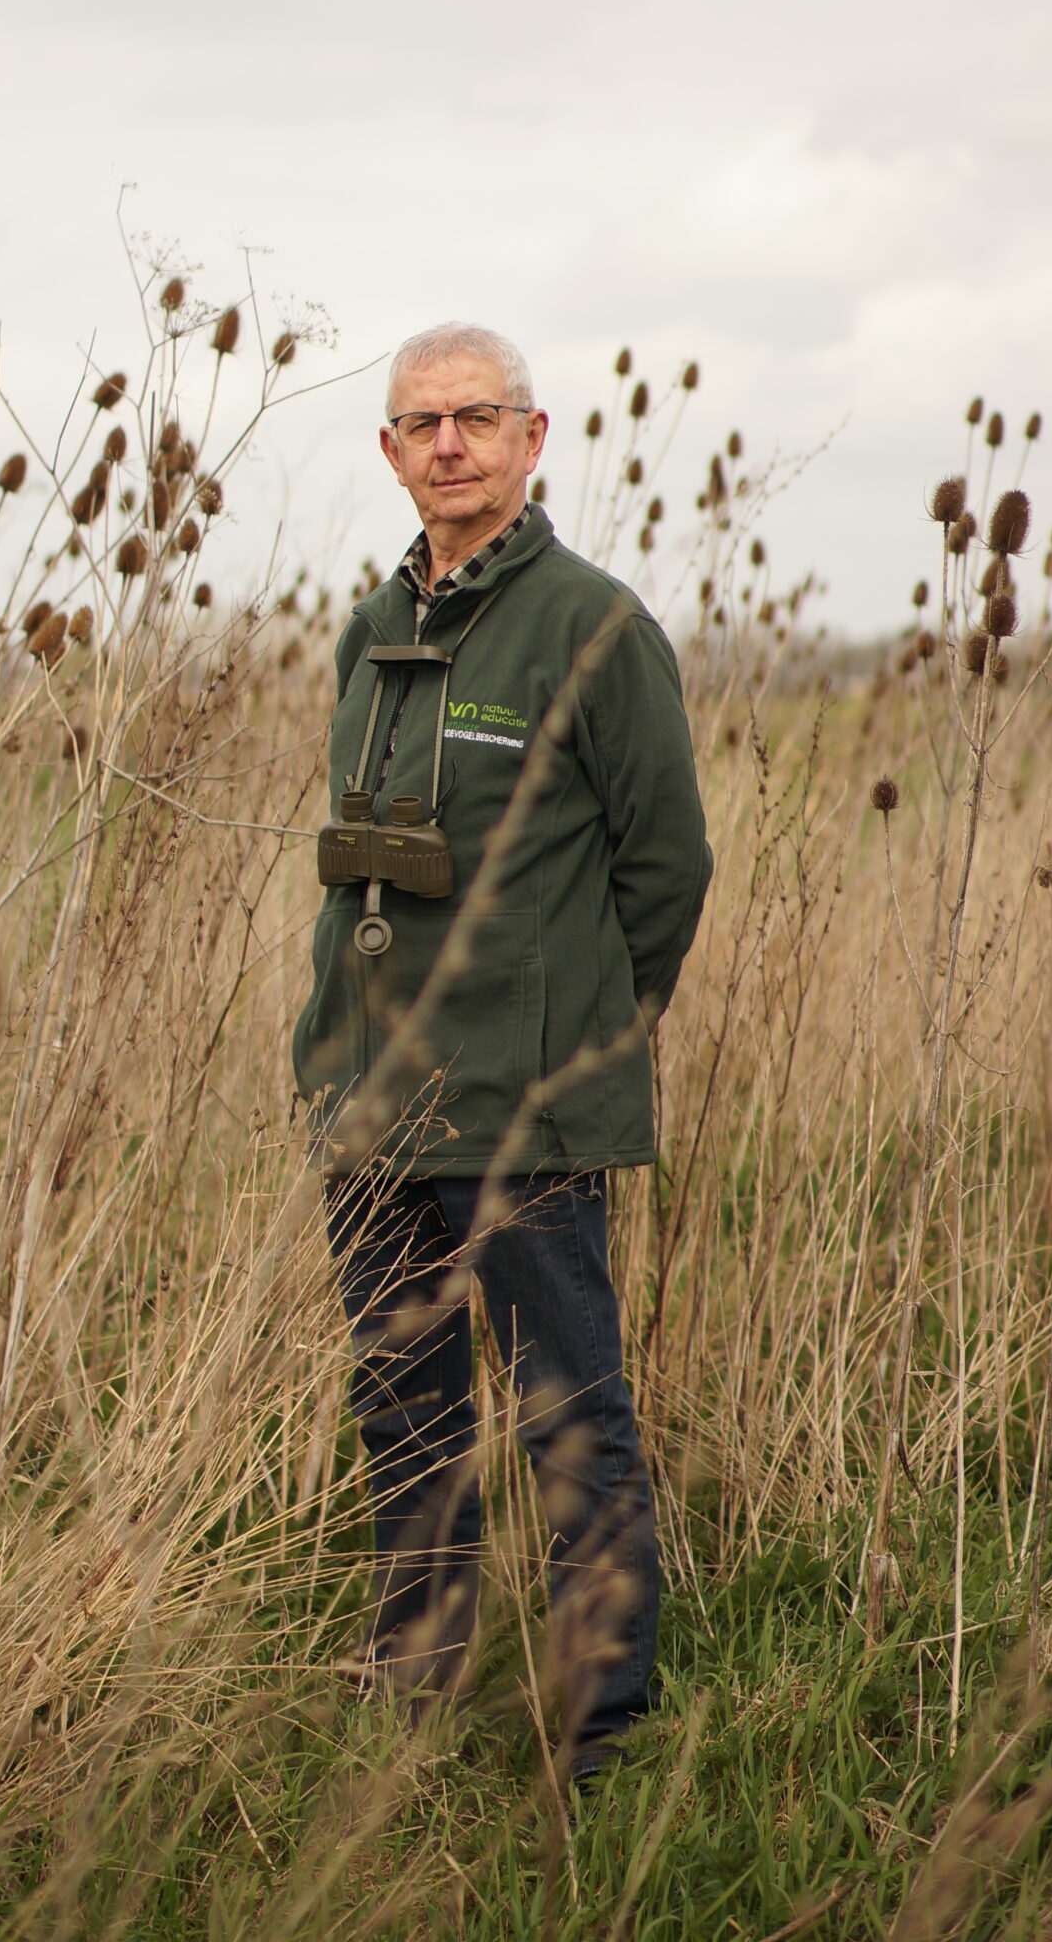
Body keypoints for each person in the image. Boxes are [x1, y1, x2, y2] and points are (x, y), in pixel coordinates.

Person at [293, 321, 711, 1785]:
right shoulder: (371, 629)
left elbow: (666, 869)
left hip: (524, 1112)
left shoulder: (596, 629)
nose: (450, 443)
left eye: (479, 418)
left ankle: (599, 1730)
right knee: (403, 1414)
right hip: (376, 1105)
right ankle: (415, 1696)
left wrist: (575, 1034)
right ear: (392, 455)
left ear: (534, 442)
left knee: (567, 1413)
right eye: (424, 423)